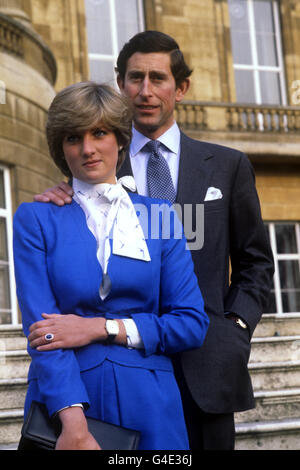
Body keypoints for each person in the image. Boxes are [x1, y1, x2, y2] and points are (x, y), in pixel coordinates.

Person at [34, 31, 274, 450]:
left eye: (158, 78)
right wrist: (65, 194)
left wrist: (235, 327)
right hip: (123, 373)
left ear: (180, 88)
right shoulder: (97, 161)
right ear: (121, 83)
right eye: (134, 78)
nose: (145, 91)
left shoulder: (228, 167)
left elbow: (256, 263)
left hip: (209, 366)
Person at [13, 82, 209, 451]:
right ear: (61, 148)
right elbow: (43, 333)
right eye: (73, 138)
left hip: (150, 402)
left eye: (99, 133)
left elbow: (191, 324)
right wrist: (73, 423)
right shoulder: (36, 218)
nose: (87, 149)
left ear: (120, 140)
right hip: (66, 402)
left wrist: (100, 328)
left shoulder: (160, 217)